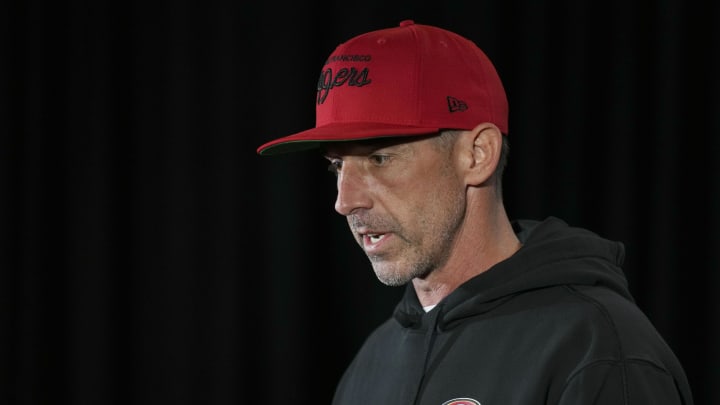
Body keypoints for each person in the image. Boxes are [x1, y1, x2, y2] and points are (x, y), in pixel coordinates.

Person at [256, 20, 695, 405]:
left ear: (478, 153)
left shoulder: (599, 351)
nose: (344, 200)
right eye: (336, 166)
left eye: (379, 159)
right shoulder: (372, 362)